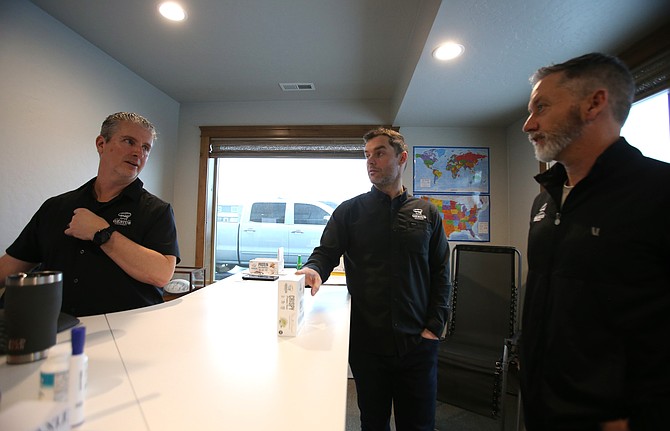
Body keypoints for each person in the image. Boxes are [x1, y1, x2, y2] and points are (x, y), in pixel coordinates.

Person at [520, 52, 670, 431]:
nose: (528, 124)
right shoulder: (546, 198)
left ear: (594, 103)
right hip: (541, 404)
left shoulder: (658, 192)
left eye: (542, 106)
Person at [296, 128, 450, 430]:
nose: (370, 161)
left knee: (418, 425)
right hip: (368, 345)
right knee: (372, 423)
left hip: (417, 343)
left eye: (379, 153)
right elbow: (326, 253)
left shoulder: (427, 213)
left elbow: (442, 274)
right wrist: (313, 269)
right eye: (367, 155)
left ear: (402, 158)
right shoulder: (349, 212)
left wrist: (434, 328)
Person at [0, 112, 180, 317]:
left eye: (145, 148)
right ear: (101, 144)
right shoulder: (55, 208)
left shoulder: (157, 211)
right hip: (60, 332)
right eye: (129, 142)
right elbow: (11, 266)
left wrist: (102, 233)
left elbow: (161, 274)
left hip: (128, 338)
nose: (138, 152)